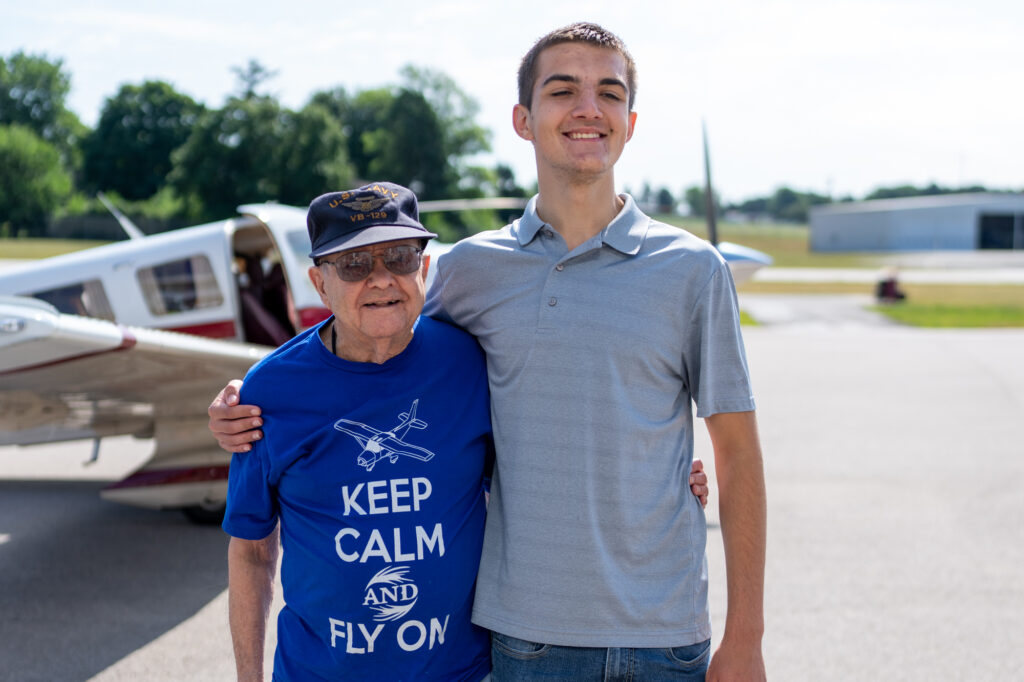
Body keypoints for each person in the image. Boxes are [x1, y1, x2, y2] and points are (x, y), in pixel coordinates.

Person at [213, 22, 762, 681]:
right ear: (523, 120)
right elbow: (370, 341)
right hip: (527, 640)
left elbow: (735, 453)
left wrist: (745, 636)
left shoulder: (695, 270)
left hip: (666, 633)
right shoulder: (473, 272)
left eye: (608, 93)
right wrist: (251, 397)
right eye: (563, 90)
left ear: (631, 120)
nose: (588, 108)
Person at [222, 182, 494, 681]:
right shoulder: (270, 391)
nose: (381, 279)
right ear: (319, 284)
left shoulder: (472, 363)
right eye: (353, 265)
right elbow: (252, 551)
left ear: (425, 270)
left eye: (400, 257)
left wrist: (679, 479)